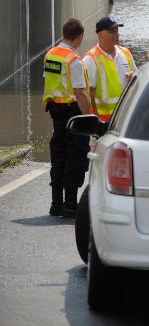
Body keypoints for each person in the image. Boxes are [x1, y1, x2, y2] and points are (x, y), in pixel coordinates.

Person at [42, 17, 91, 217]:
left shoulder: (51, 54)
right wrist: (88, 118)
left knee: (59, 155)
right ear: (79, 36)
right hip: (73, 113)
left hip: (56, 113)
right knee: (75, 156)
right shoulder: (74, 60)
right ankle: (70, 204)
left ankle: (56, 204)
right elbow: (80, 93)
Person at [82, 17, 136, 124]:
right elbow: (88, 94)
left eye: (117, 31)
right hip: (104, 122)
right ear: (100, 34)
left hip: (125, 117)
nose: (116, 34)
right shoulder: (90, 59)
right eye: (111, 31)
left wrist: (133, 76)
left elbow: (137, 77)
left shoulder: (125, 53)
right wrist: (95, 122)